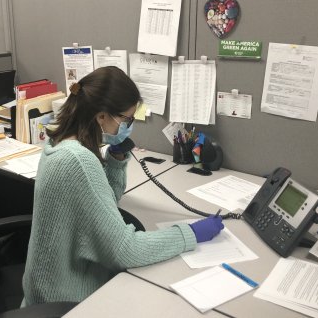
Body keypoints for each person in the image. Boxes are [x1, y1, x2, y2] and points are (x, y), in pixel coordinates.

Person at [21, 66, 224, 306]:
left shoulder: (60, 141)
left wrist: (115, 161)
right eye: (127, 119)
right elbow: (126, 250)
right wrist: (190, 233)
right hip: (66, 300)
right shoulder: (78, 160)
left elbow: (104, 203)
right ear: (101, 116)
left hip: (48, 288)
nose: (129, 125)